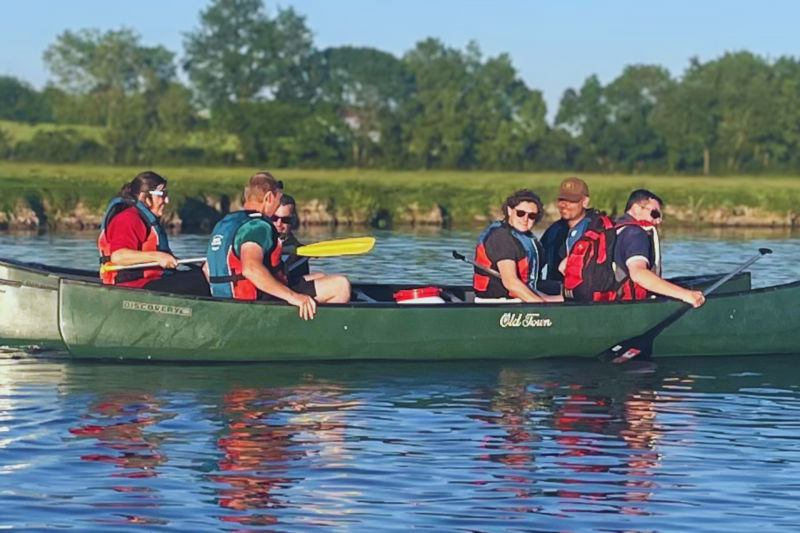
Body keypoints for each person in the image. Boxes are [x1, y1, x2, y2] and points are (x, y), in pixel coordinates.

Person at [205, 172, 351, 320]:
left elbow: (207, 268)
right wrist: (292, 297)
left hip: (227, 301)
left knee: (319, 276)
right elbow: (251, 269)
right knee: (340, 285)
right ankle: (315, 335)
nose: (277, 205)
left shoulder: (227, 223)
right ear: (268, 197)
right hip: (254, 305)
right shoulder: (258, 226)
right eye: (278, 199)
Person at [97, 171, 210, 296]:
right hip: (132, 286)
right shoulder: (128, 218)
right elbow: (119, 257)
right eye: (162, 194)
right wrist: (158, 256)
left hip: (153, 281)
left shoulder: (144, 218)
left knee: (208, 275)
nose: (166, 200)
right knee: (204, 281)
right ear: (143, 196)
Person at [613, 189, 704, 307]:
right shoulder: (635, 234)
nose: (659, 220)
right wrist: (686, 295)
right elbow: (638, 273)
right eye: (655, 214)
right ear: (636, 209)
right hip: (629, 305)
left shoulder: (618, 229)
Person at [473, 189, 563, 303]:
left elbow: (531, 280)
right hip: (499, 301)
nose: (525, 219)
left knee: (570, 293)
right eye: (520, 213)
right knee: (563, 300)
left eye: (531, 216)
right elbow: (511, 282)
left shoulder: (526, 237)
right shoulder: (501, 237)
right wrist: (542, 304)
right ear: (510, 211)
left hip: (520, 295)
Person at [540, 177, 595, 284]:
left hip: (586, 292)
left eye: (571, 201)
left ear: (584, 202)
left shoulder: (596, 230)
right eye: (561, 200)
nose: (564, 205)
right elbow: (537, 260)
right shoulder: (554, 230)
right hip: (556, 291)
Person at [272, 194, 324, 287]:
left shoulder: (300, 253)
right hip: (266, 288)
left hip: (290, 288)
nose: (279, 224)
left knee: (321, 276)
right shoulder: (257, 243)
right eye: (274, 218)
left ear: (293, 221)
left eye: (286, 219)